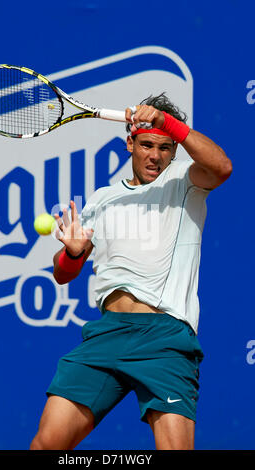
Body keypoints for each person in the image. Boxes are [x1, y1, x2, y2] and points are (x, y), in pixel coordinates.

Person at [30, 93, 232, 450]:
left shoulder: (186, 181)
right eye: (146, 145)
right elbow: (62, 274)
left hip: (164, 338)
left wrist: (166, 121)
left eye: (165, 147)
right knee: (47, 445)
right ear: (130, 143)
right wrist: (73, 255)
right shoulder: (103, 198)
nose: (155, 156)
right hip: (106, 335)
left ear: (174, 150)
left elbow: (222, 167)